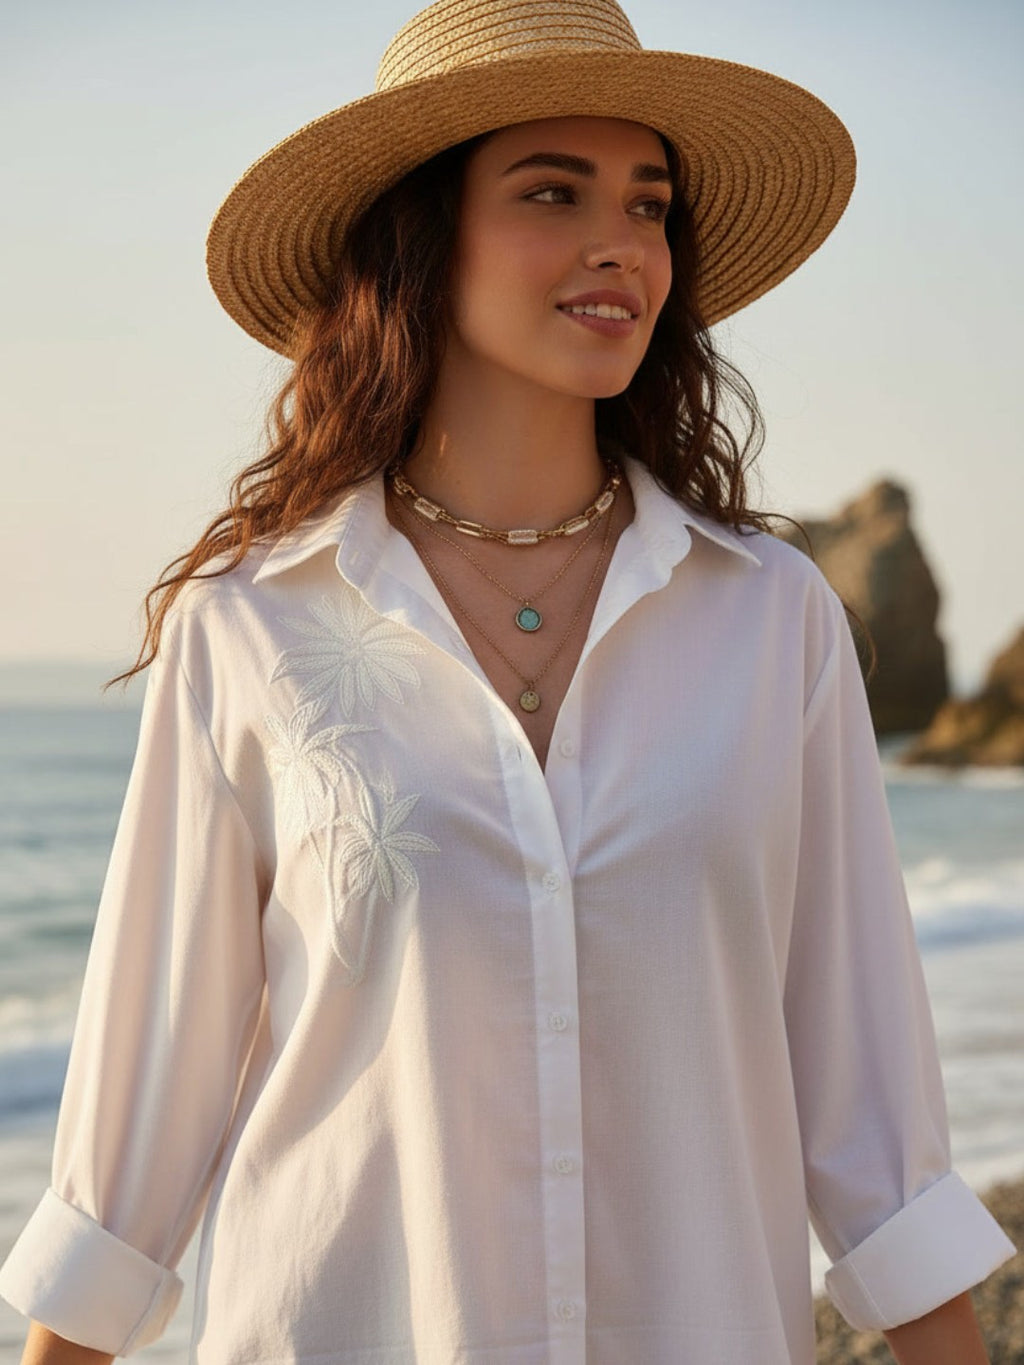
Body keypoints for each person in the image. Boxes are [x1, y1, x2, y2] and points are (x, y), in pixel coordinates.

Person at [1, 0, 1015, 1362]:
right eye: (554, 191)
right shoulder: (249, 631)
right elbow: (136, 1133)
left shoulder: (772, 624)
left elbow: (872, 1119)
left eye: (649, 204)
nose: (621, 244)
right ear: (425, 238)